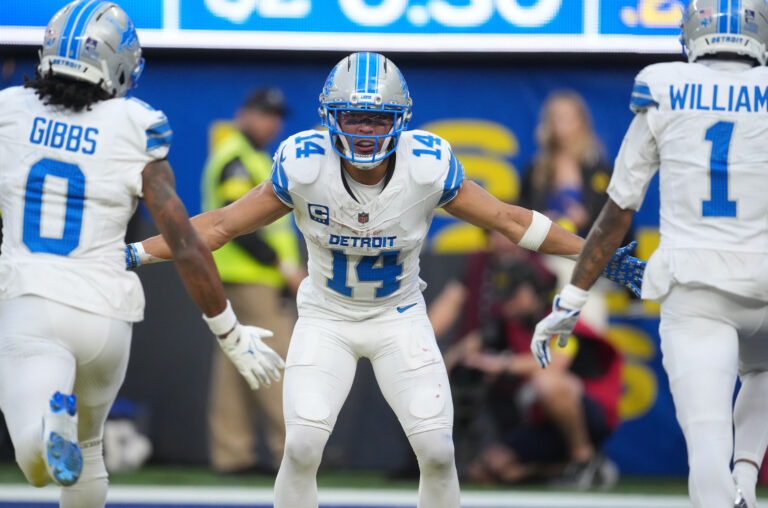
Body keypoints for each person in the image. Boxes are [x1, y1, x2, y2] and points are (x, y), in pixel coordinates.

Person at [126, 51, 645, 508]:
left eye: (377, 119)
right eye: (353, 117)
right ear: (330, 117)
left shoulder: (426, 166)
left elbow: (509, 220)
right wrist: (133, 253)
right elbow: (219, 226)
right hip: (326, 318)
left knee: (437, 451)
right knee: (302, 446)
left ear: (400, 121)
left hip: (399, 318)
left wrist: (594, 255)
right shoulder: (304, 165)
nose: (364, 131)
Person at [0, 2, 284, 507]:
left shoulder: (9, 111)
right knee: (89, 450)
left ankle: (44, 430)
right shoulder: (137, 124)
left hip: (31, 299)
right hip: (107, 313)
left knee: (36, 456)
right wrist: (231, 333)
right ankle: (58, 433)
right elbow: (187, 243)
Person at [530, 2, 768, 507]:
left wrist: (571, 299)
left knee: (706, 447)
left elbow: (617, 213)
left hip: (695, 286)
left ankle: (728, 487)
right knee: (763, 373)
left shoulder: (665, 87)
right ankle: (746, 480)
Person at [202, 87, 304, 475]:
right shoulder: (237, 160)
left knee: (235, 364)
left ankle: (232, 453)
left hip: (242, 278)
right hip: (253, 279)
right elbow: (236, 227)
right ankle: (293, 452)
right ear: (243, 113)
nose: (271, 123)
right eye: (264, 114)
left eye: (276, 116)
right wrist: (284, 266)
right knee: (278, 363)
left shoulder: (252, 157)